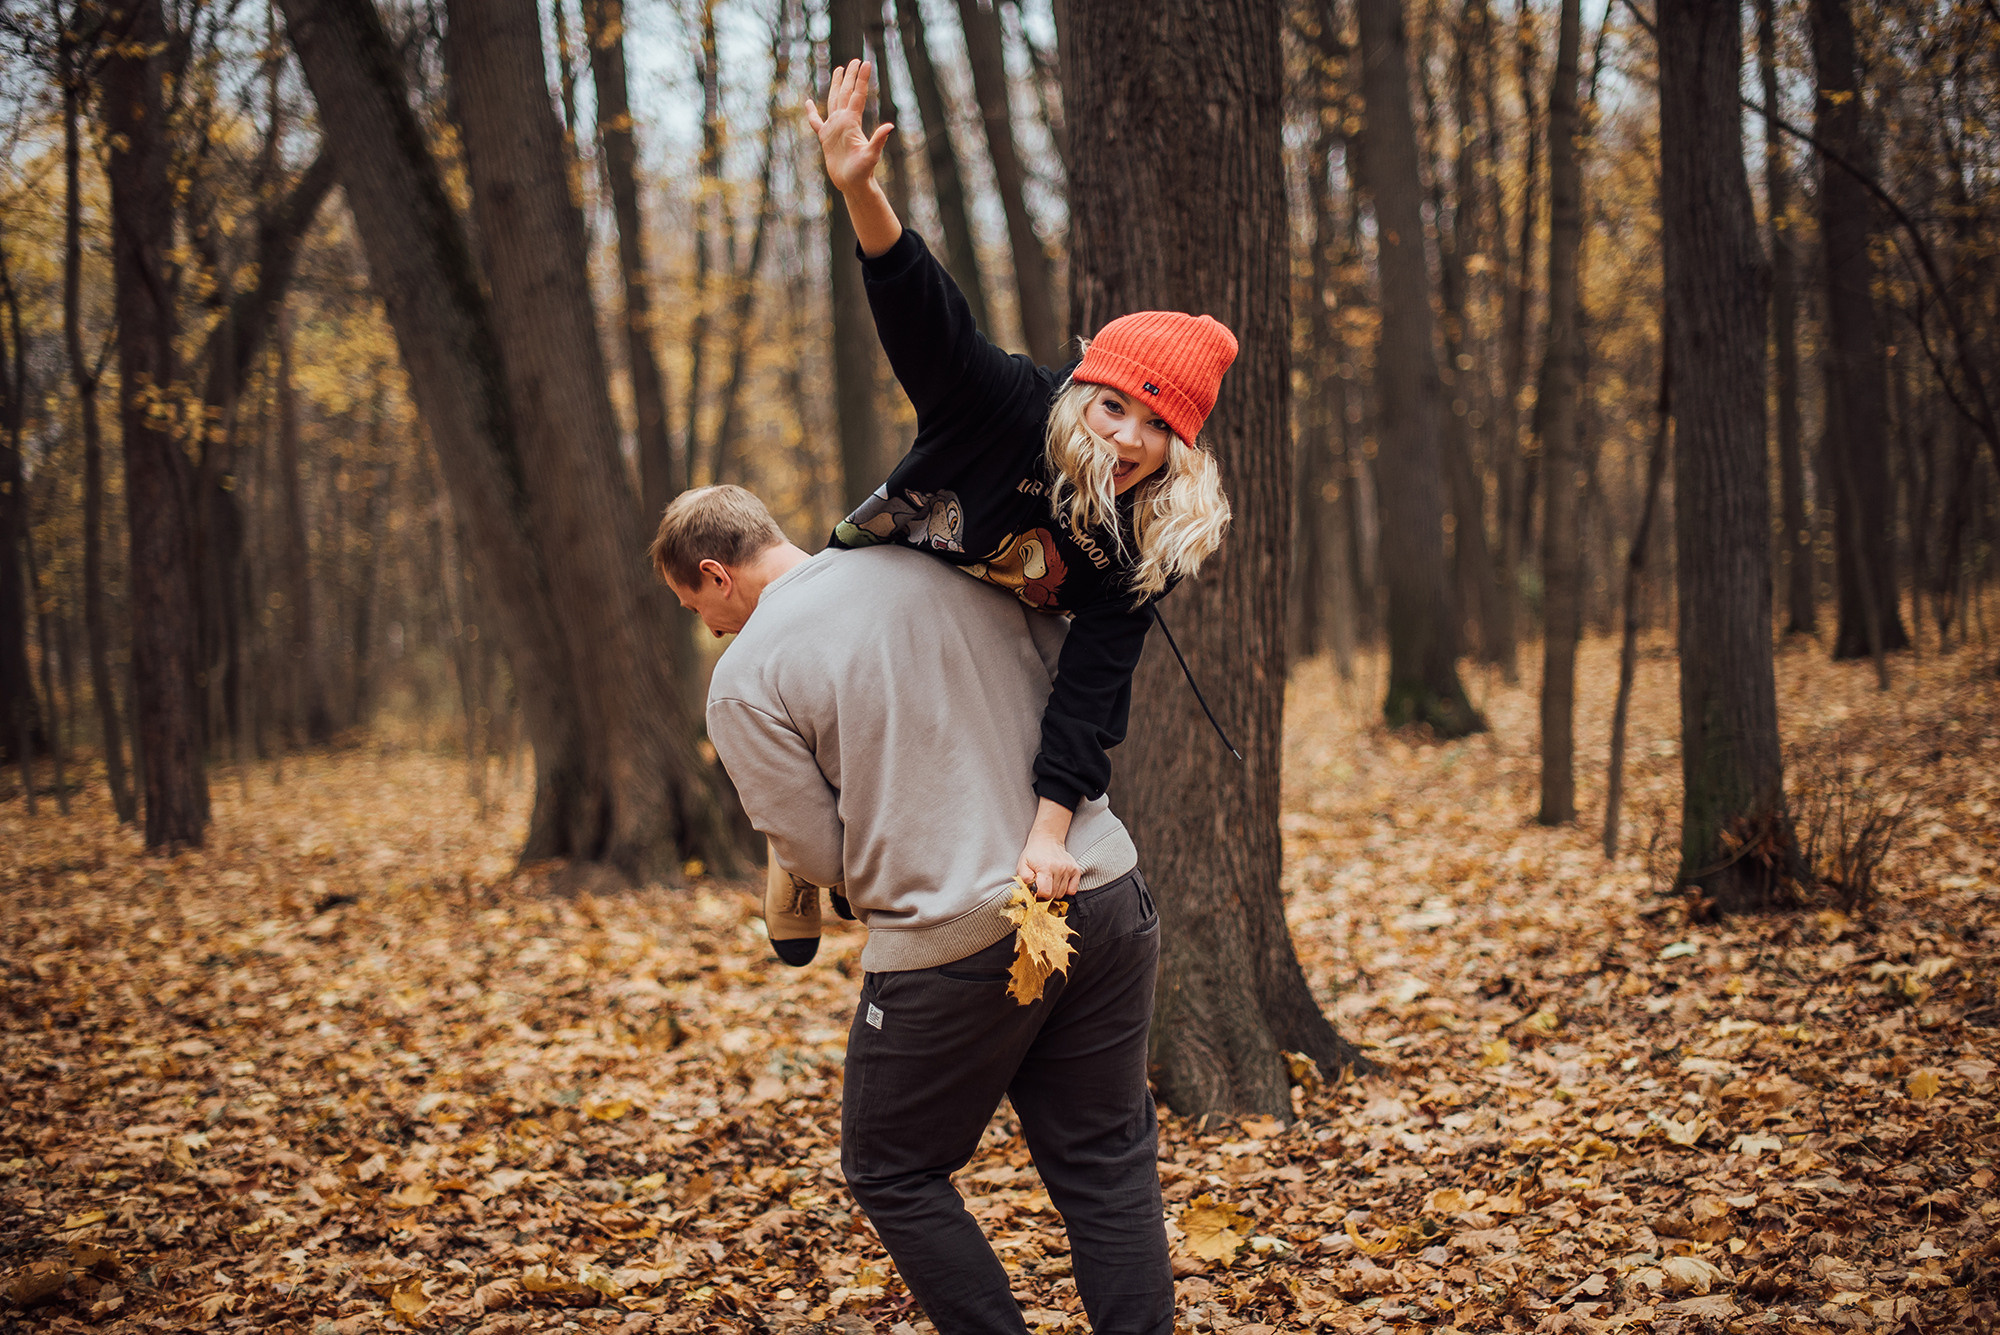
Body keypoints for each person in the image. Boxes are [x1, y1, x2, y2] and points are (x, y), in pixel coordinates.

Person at [650, 484, 1174, 1335]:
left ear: (716, 573)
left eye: (698, 607)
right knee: (1106, 1159)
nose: (711, 627)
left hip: (954, 938)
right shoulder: (945, 556)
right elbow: (1066, 682)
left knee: (892, 1166)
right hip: (1099, 887)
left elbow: (817, 858)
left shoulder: (745, 678)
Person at [806, 58, 1238, 910]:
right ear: (1084, 386)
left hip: (985, 635)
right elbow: (928, 319)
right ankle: (802, 861)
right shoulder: (1006, 407)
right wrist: (861, 193)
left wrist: (1048, 834)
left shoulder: (1149, 533)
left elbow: (1093, 688)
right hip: (882, 582)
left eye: (1159, 426)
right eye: (1114, 406)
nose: (1129, 437)